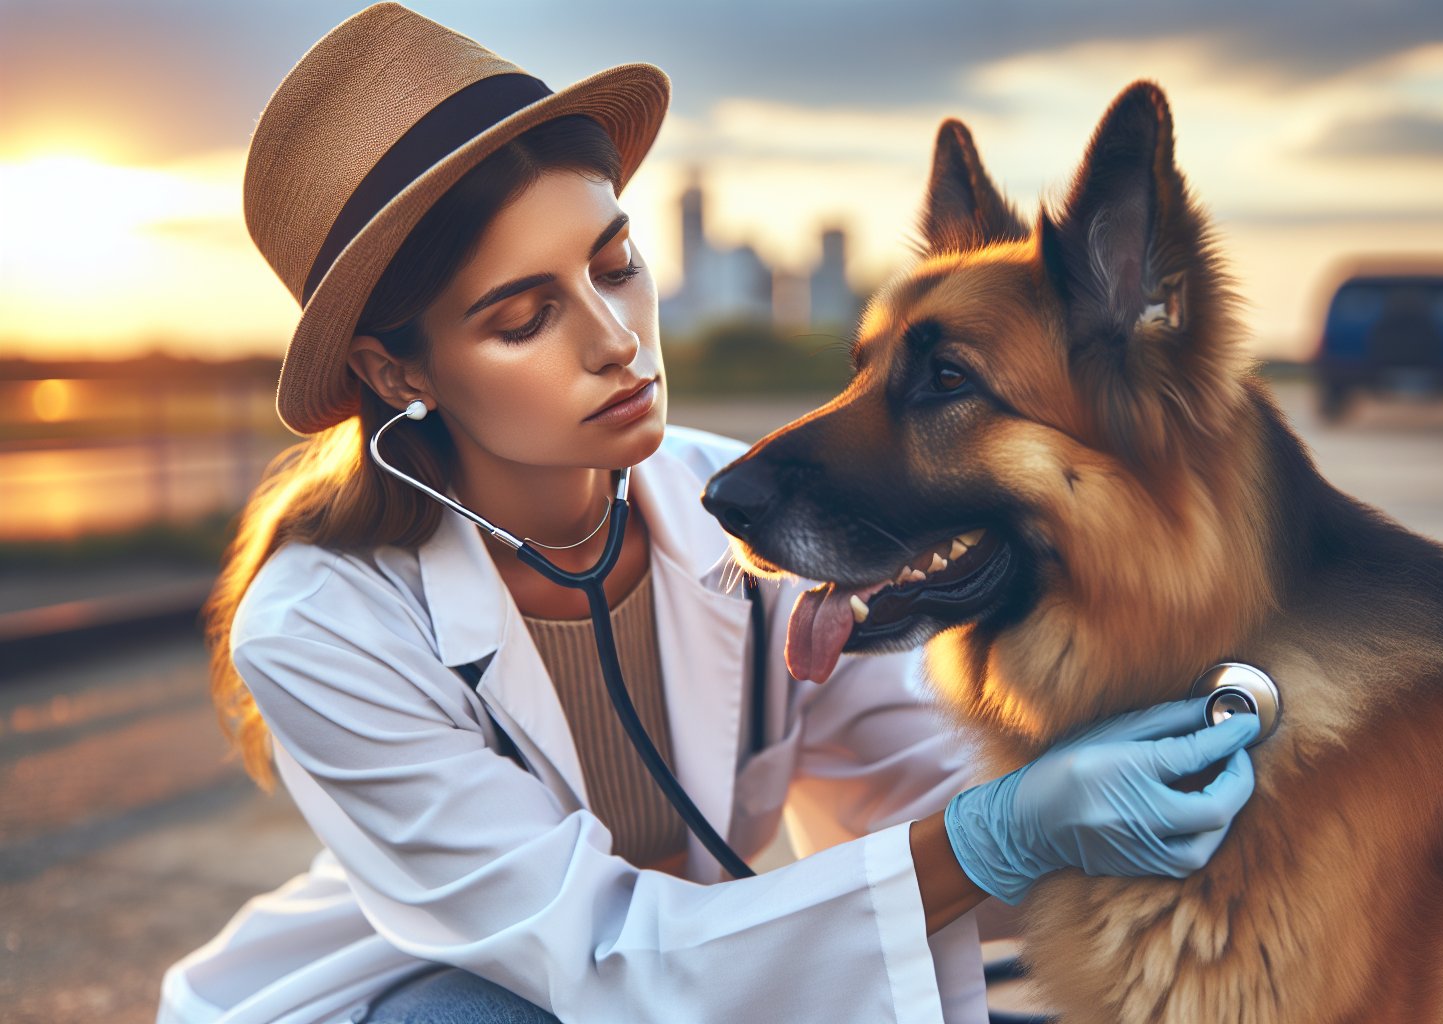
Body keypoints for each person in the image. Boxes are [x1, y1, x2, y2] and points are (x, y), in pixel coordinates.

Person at [157, 5, 1260, 1023]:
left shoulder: (742, 503)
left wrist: (1167, 791)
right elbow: (599, 961)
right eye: (526, 316)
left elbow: (908, 797)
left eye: (615, 264)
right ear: (398, 372)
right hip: (433, 997)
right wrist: (1002, 835)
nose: (617, 340)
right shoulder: (318, 625)